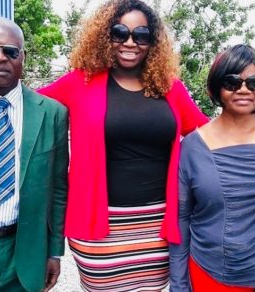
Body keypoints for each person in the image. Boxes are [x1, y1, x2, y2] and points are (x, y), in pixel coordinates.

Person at [38, 0, 208, 290]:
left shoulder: (170, 87)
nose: (131, 42)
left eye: (141, 35)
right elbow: (30, 106)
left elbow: (211, 132)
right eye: (121, 32)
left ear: (152, 41)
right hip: (98, 226)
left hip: (157, 226)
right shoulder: (80, 82)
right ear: (106, 36)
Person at [0, 17, 69, 292]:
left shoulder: (52, 114)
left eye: (10, 51)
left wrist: (54, 251)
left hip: (25, 255)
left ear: (23, 57)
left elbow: (59, 190)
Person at [169, 44, 255, 291]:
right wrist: (179, 284)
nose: (244, 90)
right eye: (232, 82)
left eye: (254, 82)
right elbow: (181, 220)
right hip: (210, 274)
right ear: (216, 87)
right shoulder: (192, 147)